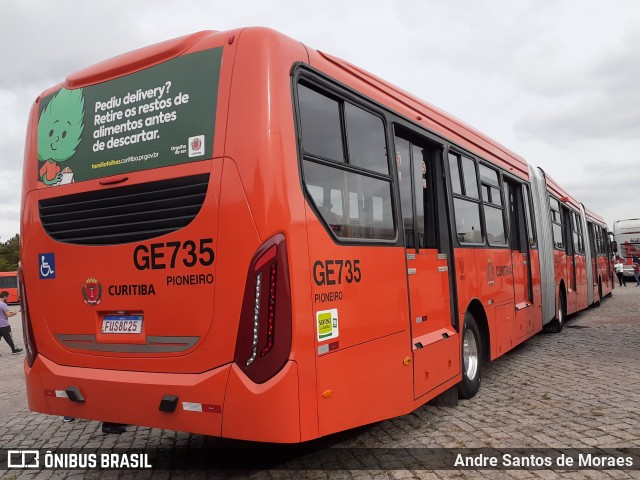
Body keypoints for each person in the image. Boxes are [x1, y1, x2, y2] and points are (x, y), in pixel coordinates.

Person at [0, 291, 23, 355]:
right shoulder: (3, 304)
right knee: (9, 337)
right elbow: (8, 315)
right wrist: (14, 313)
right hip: (4, 325)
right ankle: (14, 349)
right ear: (4, 296)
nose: (8, 298)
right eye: (7, 297)